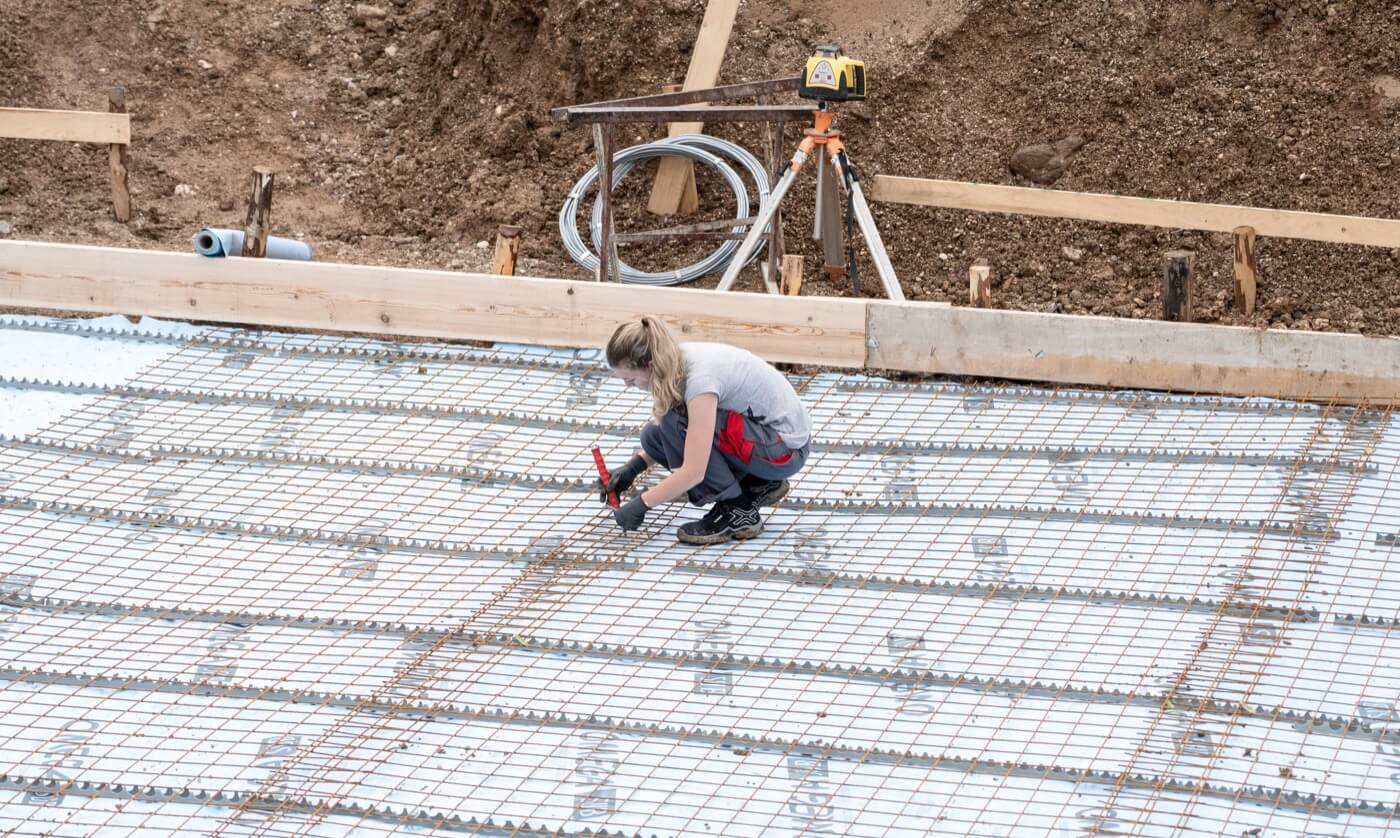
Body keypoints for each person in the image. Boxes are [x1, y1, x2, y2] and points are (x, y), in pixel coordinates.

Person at [598, 316, 812, 545]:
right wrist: (634, 467)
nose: (628, 386)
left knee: (677, 420)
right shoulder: (671, 358)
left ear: (650, 366)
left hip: (784, 452)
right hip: (767, 442)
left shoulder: (700, 381)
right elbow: (672, 438)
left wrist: (642, 504)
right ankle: (757, 482)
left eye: (630, 379)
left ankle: (738, 512)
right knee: (653, 436)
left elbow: (693, 472)